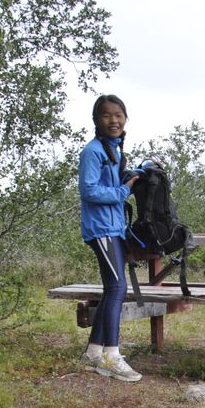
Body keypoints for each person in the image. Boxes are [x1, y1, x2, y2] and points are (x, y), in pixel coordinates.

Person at [78, 94, 143, 382]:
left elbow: (112, 183)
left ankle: (93, 352)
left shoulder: (114, 150)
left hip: (112, 228)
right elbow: (88, 191)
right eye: (106, 115)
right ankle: (111, 356)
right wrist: (122, 191)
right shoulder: (93, 152)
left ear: (125, 118)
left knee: (111, 289)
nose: (113, 120)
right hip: (101, 229)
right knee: (118, 287)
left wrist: (134, 176)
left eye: (118, 115)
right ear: (96, 120)